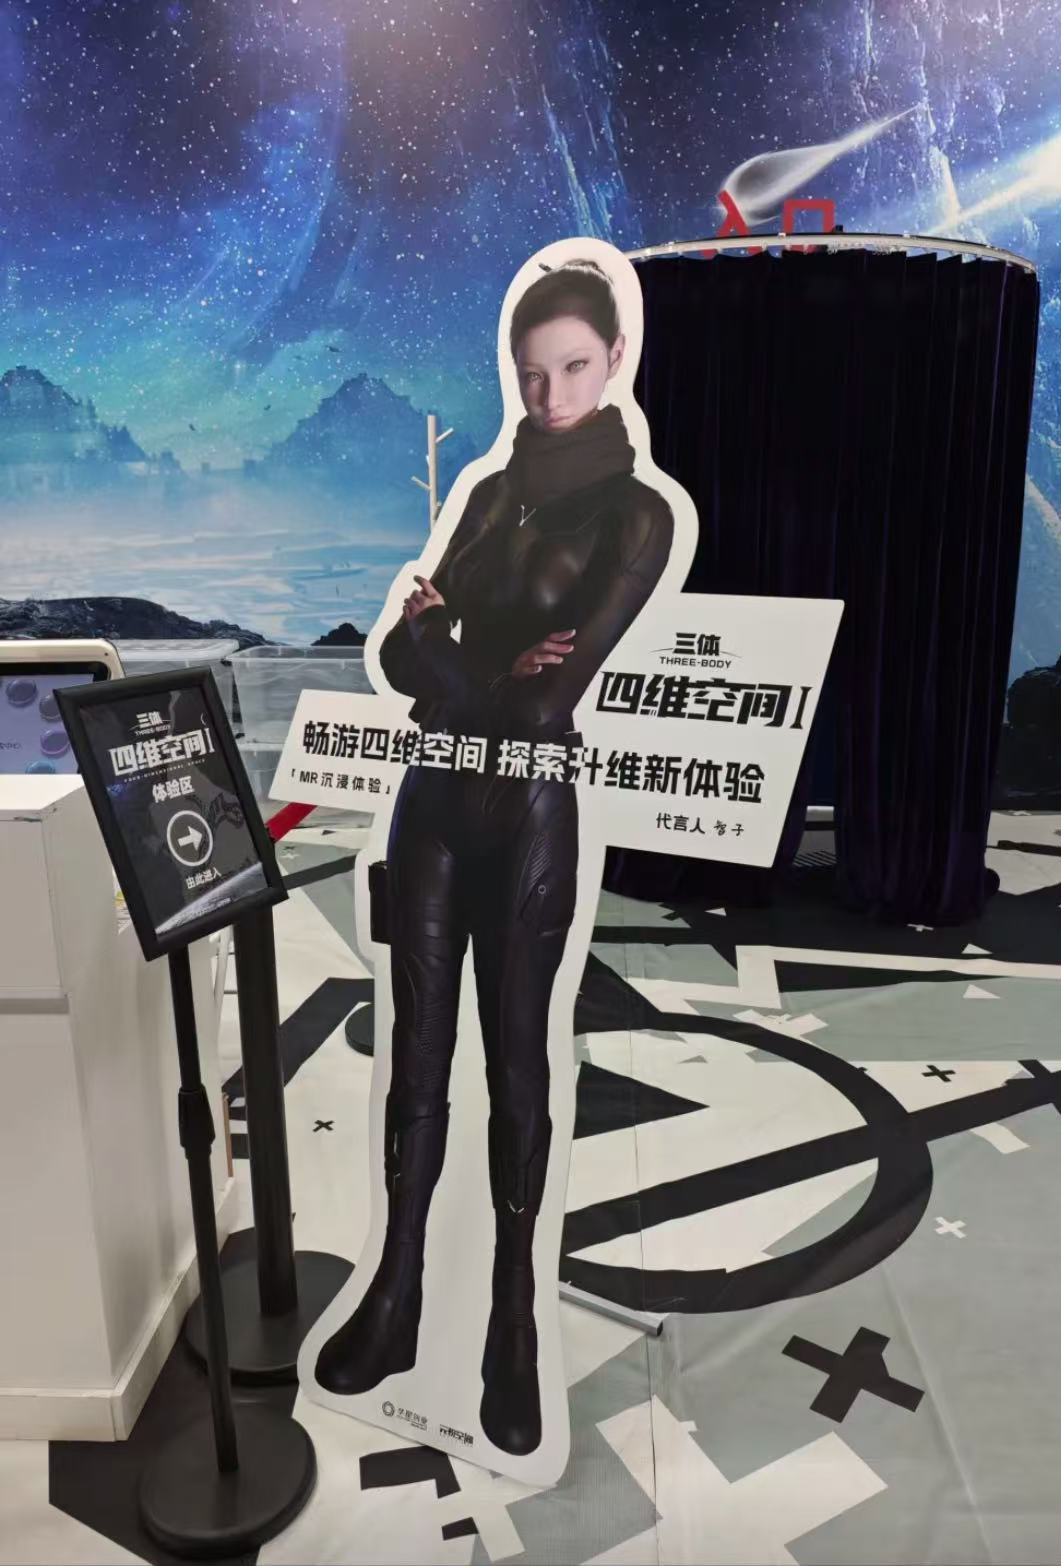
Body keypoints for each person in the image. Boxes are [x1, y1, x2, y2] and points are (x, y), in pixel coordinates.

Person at [314, 258, 673, 1456]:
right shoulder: (486, 491)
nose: (551, 392)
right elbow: (397, 658)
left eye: (573, 366)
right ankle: (397, 1296)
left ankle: (512, 1324)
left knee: (520, 1070)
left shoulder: (637, 515)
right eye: (531, 372)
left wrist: (448, 655)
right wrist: (469, 666)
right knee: (416, 1061)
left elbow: (544, 704)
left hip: (528, 813)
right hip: (430, 805)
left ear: (614, 360)